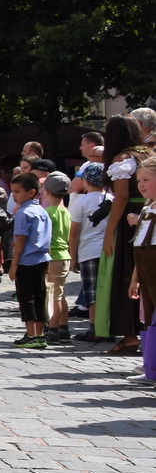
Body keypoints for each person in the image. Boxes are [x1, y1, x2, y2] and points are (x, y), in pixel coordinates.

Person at [96, 115, 152, 352]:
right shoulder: (148, 154)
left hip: (129, 218)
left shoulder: (123, 159)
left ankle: (130, 335)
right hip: (148, 214)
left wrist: (109, 233)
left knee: (125, 274)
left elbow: (121, 197)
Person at [8, 171, 52, 350]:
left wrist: (13, 264)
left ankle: (30, 333)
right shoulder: (42, 211)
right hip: (42, 259)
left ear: (32, 192)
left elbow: (20, 240)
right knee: (40, 296)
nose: (14, 195)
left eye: (17, 192)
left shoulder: (23, 213)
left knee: (26, 298)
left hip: (26, 261)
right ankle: (40, 334)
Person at [70, 162, 109, 340]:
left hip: (88, 250)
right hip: (109, 250)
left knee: (91, 290)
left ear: (86, 181)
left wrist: (73, 255)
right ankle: (107, 326)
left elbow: (75, 231)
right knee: (107, 289)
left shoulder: (82, 201)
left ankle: (95, 327)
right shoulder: (112, 198)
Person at [129, 156, 156, 384]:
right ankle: (150, 365)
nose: (141, 184)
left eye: (146, 179)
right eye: (139, 180)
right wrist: (134, 278)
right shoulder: (148, 207)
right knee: (147, 317)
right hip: (146, 271)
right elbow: (140, 245)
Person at [40, 173, 71, 344]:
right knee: (61, 293)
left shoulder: (49, 212)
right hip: (64, 255)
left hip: (53, 257)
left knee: (52, 296)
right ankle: (64, 327)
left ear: (47, 191)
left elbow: (46, 238)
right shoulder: (66, 211)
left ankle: (53, 329)